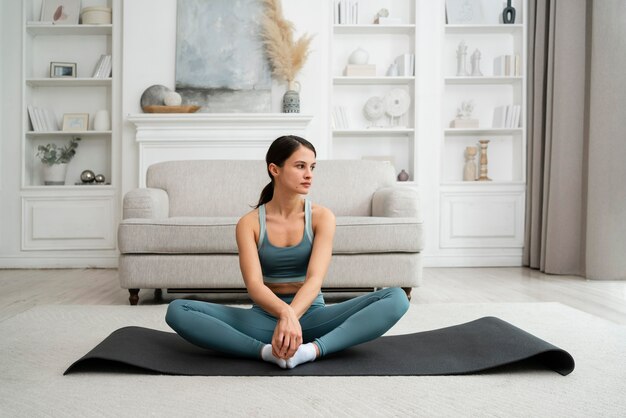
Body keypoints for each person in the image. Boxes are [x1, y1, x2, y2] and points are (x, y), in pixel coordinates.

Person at [166, 135, 410, 369]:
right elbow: (254, 285)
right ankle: (267, 353)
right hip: (264, 319)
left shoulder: (322, 217)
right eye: (300, 166)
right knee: (177, 310)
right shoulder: (249, 223)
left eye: (312, 167)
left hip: (314, 315)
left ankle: (310, 351)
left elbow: (315, 280)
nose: (309, 175)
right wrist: (284, 314)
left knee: (396, 298)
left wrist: (292, 316)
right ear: (275, 169)